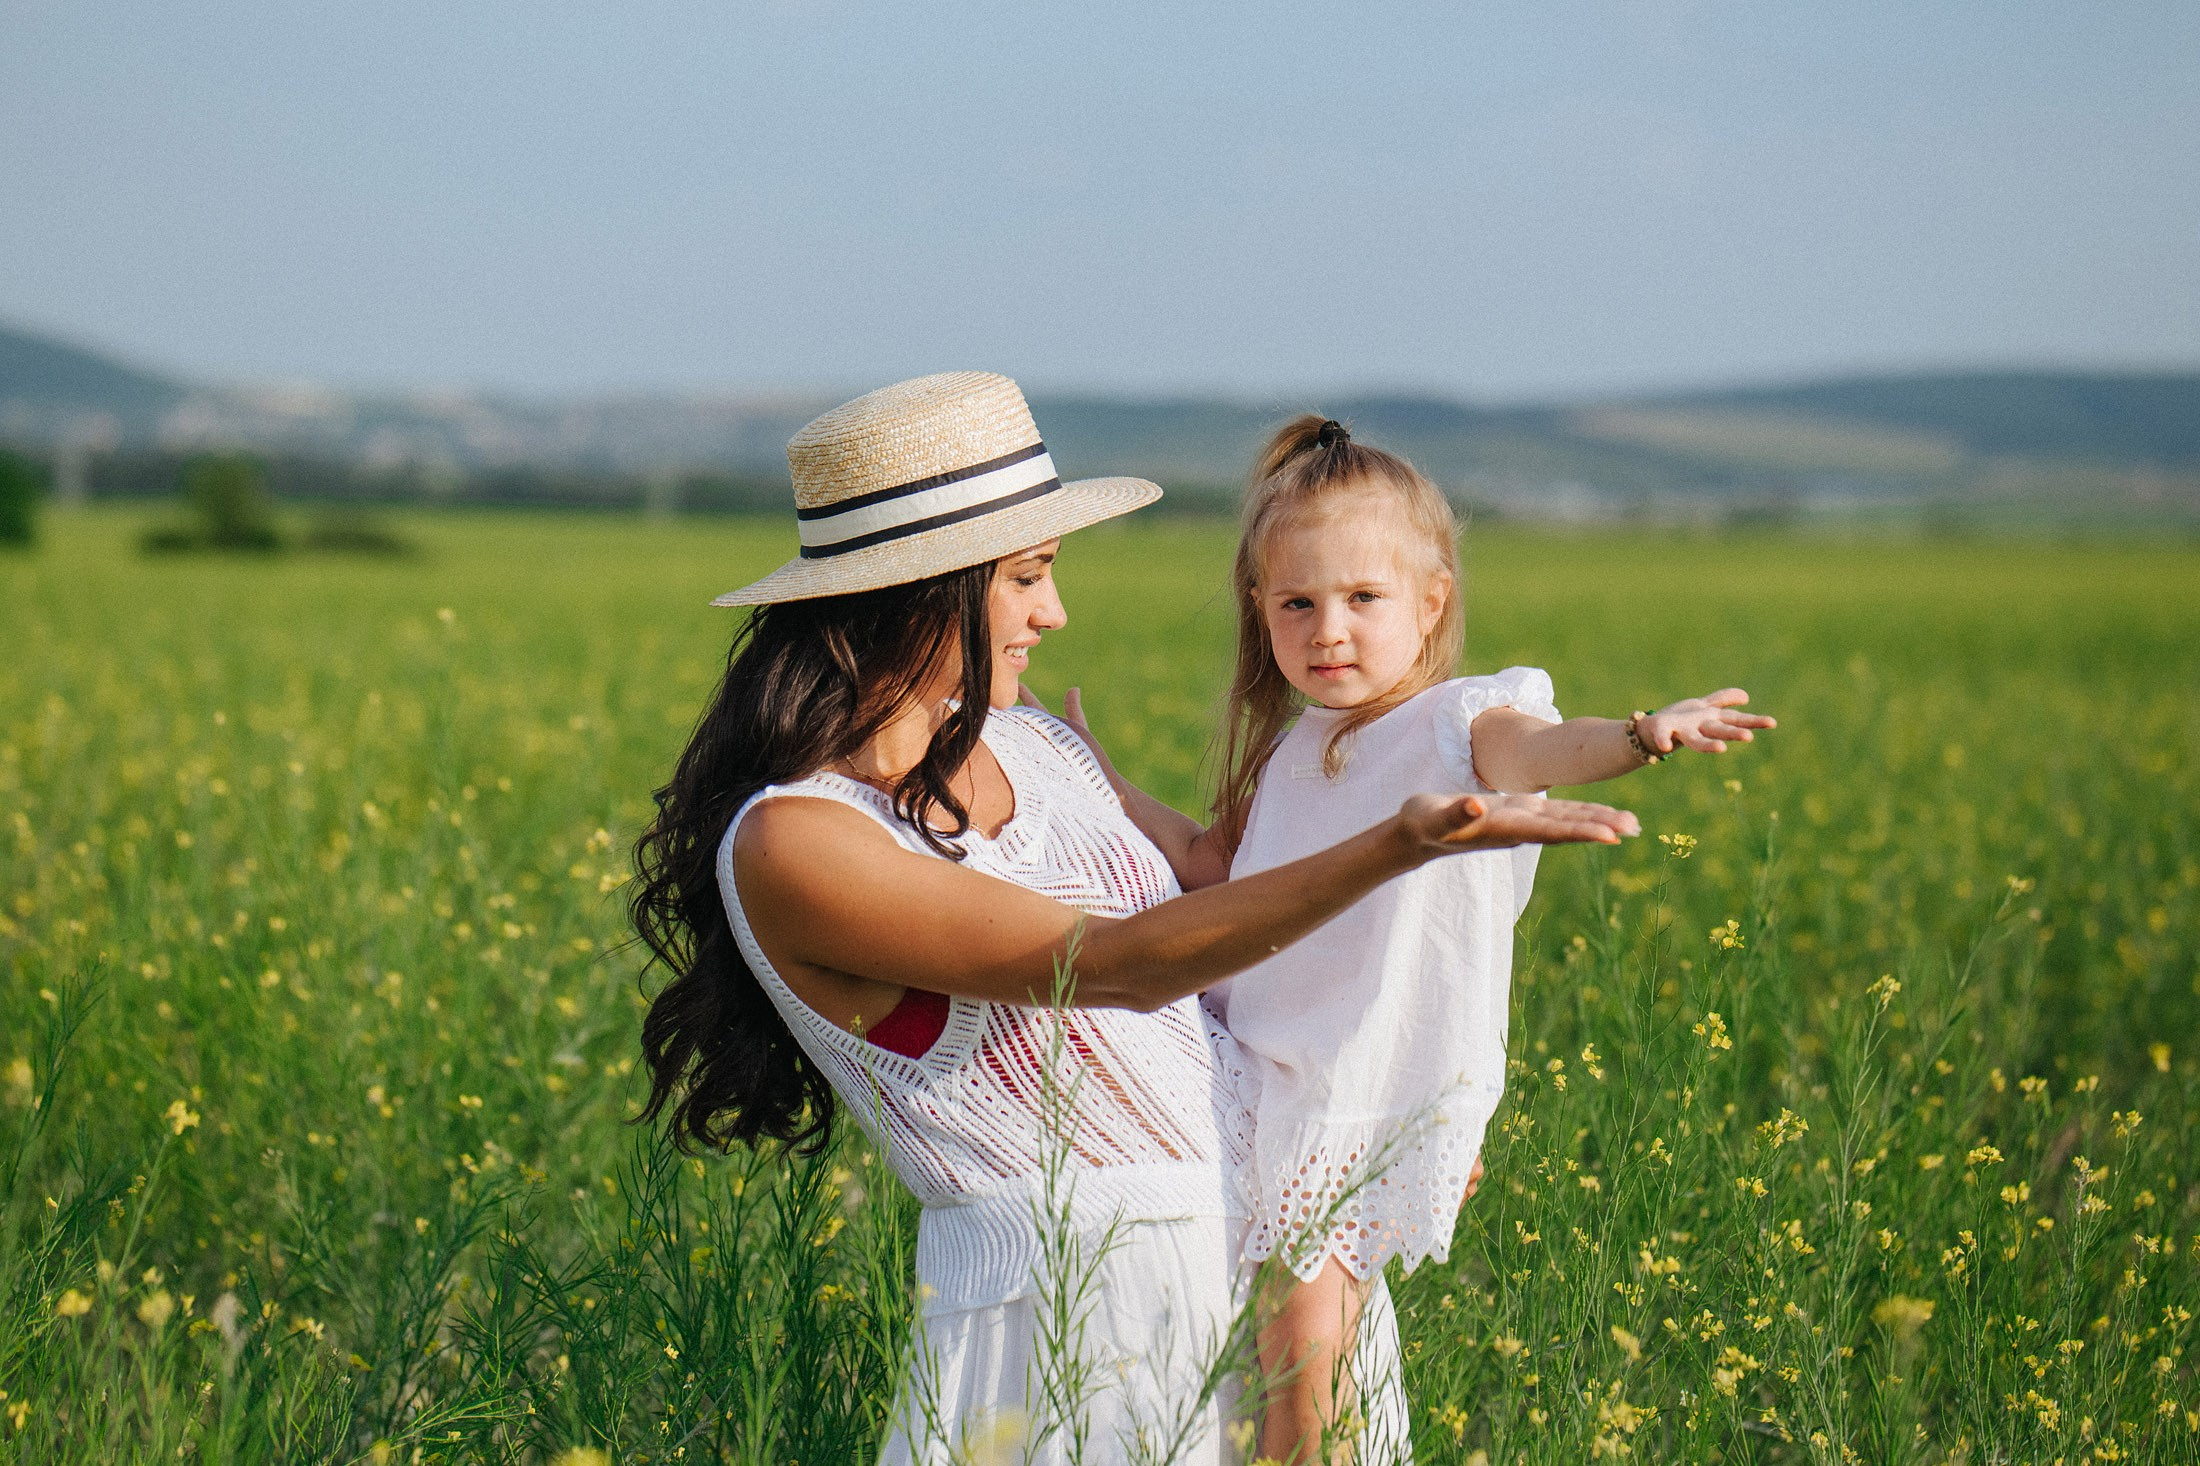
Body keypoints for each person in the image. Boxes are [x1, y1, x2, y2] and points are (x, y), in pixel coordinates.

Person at [629, 374, 1641, 1465]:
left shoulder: (1034, 747)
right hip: (1071, 1322)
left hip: (1274, 1262)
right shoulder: (797, 840)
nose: (1052, 612)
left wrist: (1380, 1130)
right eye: (1026, 577)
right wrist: (1398, 842)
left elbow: (1217, 982)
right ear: (915, 591)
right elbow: (1109, 967)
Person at [1058, 415, 1775, 1463]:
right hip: (1265, 1082)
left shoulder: (1459, 724)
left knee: (1302, 1375)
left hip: (1355, 1094)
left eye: (1363, 598)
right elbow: (1212, 866)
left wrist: (1640, 736)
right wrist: (1102, 782)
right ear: (1258, 608)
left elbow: (1546, 749)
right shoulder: (1293, 750)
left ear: (1431, 601)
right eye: (1296, 603)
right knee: (1264, 1360)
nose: (1328, 630)